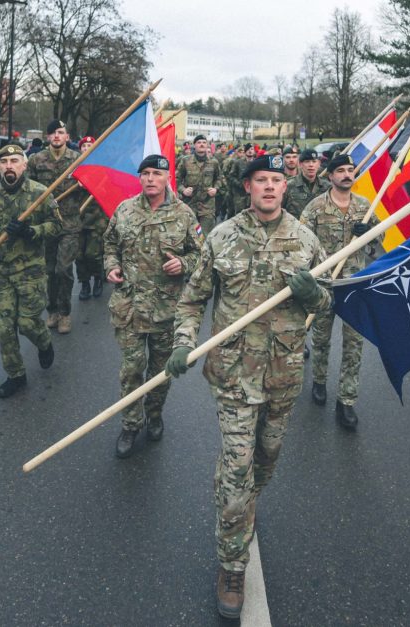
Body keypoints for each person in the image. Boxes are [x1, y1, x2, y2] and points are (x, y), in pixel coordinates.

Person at [166, 154, 331, 619]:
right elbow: (192, 299)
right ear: (247, 187)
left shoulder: (306, 240)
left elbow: (331, 297)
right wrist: (182, 343)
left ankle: (236, 506)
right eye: (262, 180)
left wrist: (313, 294)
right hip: (234, 376)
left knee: (264, 463)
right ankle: (232, 564)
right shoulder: (221, 237)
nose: (271, 187)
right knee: (238, 472)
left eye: (278, 180)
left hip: (283, 374)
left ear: (286, 186)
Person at [104, 154, 202, 458]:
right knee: (131, 369)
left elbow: (201, 255)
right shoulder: (124, 210)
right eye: (144, 173)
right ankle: (131, 423)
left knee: (161, 372)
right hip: (130, 306)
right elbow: (109, 243)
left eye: (156, 174)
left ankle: (155, 414)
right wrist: (111, 265)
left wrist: (184, 263)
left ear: (167, 178)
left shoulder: (184, 214)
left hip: (166, 310)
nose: (149, 179)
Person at [0, 144, 61, 398]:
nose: (9, 165)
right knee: (4, 329)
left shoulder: (39, 194)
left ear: (24, 165)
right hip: (1, 273)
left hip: (31, 272)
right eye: (4, 161)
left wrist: (33, 232)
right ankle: (15, 375)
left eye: (14, 161)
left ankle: (44, 343)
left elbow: (56, 226)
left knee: (28, 323)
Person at [300, 154, 371, 429]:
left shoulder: (365, 206)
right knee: (321, 339)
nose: (346, 174)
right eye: (340, 170)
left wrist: (368, 232)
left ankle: (347, 401)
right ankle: (319, 381)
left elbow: (381, 238)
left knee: (354, 346)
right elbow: (301, 242)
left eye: (350, 170)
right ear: (329, 176)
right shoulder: (315, 207)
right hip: (325, 286)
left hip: (355, 286)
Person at [27, 120, 84, 335]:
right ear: (48, 137)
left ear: (67, 136)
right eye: (53, 133)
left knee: (64, 269)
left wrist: (84, 186)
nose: (57, 136)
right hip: (47, 223)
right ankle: (52, 310)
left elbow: (89, 190)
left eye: (61, 132)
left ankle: (65, 313)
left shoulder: (78, 160)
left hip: (70, 223)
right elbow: (28, 188)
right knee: (49, 271)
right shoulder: (36, 159)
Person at [74, 136, 108, 300]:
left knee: (93, 254)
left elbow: (109, 190)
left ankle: (98, 279)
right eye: (84, 145)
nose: (87, 147)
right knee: (79, 255)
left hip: (96, 218)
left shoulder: (101, 168)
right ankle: (84, 283)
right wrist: (76, 184)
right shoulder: (73, 167)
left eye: (90, 145)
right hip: (77, 217)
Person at [177, 134, 221, 235]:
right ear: (194, 145)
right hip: (189, 205)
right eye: (199, 142)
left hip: (207, 206)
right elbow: (177, 179)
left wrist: (216, 189)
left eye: (204, 142)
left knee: (205, 236)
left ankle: (204, 251)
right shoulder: (185, 161)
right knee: (189, 235)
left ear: (207, 145)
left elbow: (219, 178)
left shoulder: (213, 162)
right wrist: (183, 190)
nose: (201, 144)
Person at [284, 148, 331, 218]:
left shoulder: (327, 186)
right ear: (300, 164)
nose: (311, 165)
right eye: (307, 161)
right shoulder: (288, 185)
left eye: (314, 161)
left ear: (318, 164)